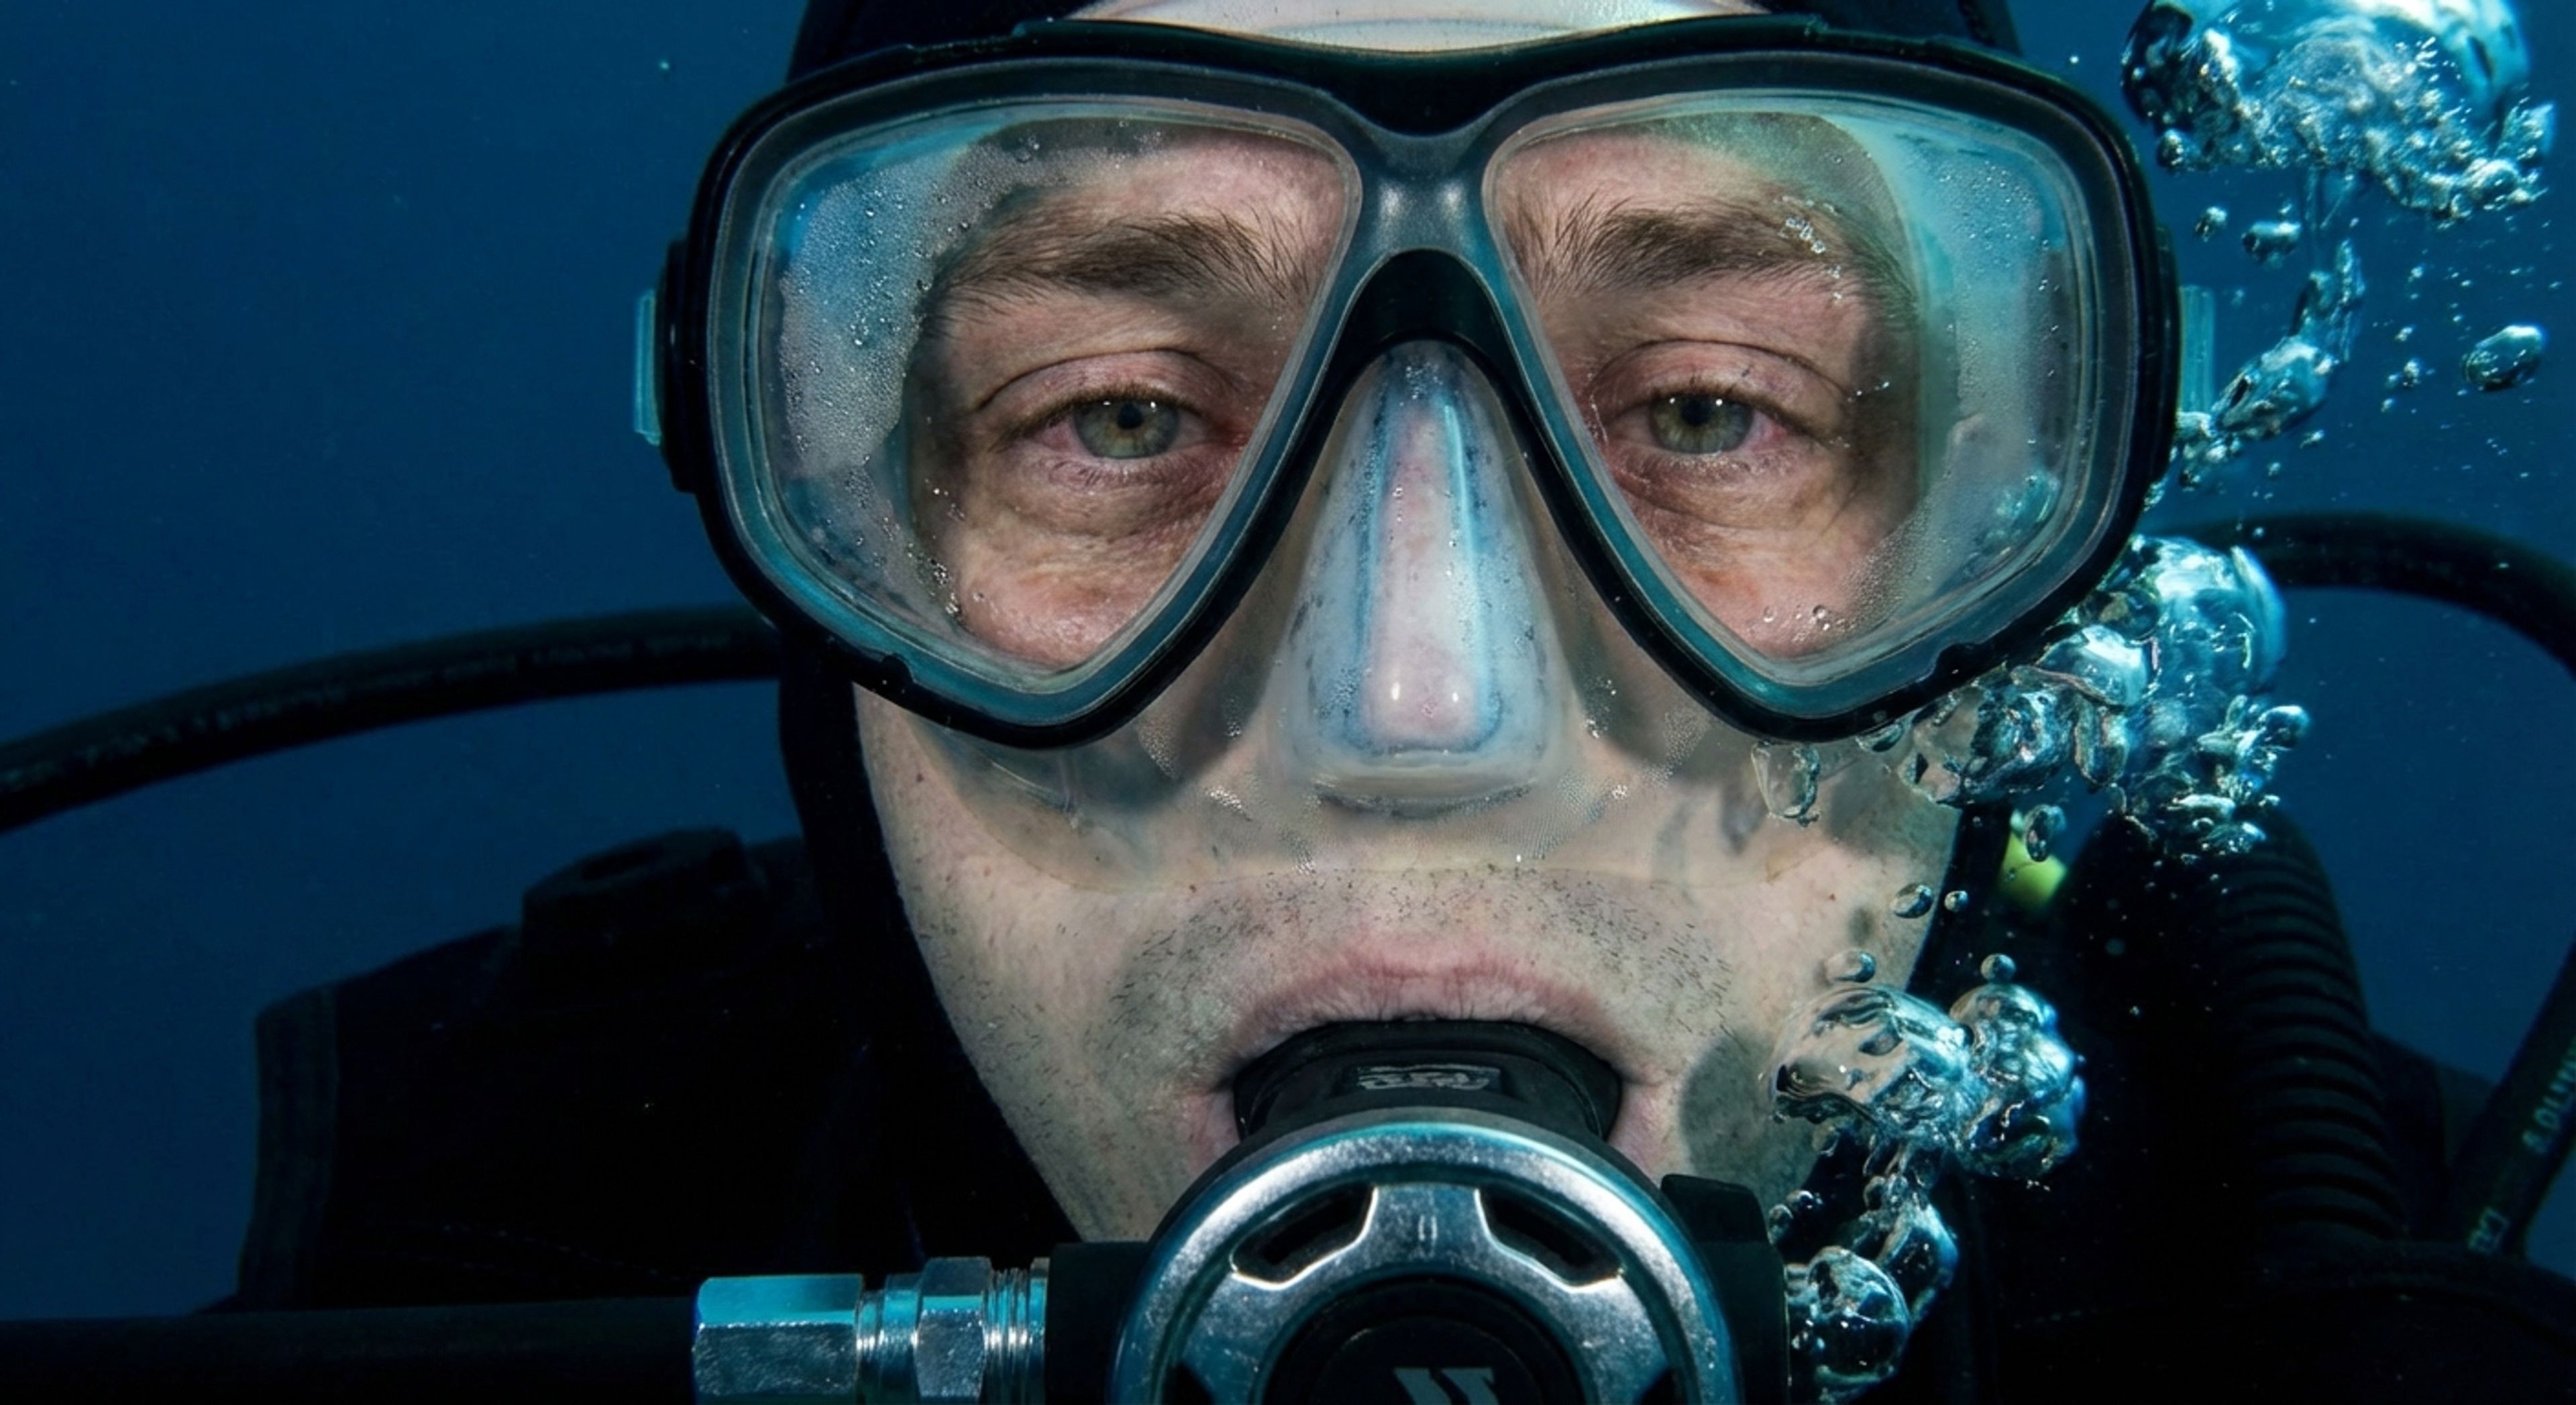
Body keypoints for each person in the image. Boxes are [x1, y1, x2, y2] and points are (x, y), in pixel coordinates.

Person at [216, 0, 2576, 1397]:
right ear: (827, 538)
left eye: (1715, 410)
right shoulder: (475, 1265)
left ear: (2014, 531)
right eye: (1119, 412)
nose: (1420, 709)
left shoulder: (2374, 1278)